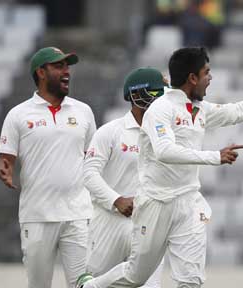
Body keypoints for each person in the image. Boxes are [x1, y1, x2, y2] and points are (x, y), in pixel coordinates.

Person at [76, 47, 243, 288]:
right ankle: (91, 286)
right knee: (137, 275)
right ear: (192, 78)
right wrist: (214, 157)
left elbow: (235, 111)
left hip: (188, 202)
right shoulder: (160, 109)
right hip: (156, 202)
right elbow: (164, 151)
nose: (211, 78)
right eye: (206, 72)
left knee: (191, 281)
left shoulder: (199, 108)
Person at [0, 47, 97, 288]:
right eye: (59, 66)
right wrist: (4, 167)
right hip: (38, 216)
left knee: (85, 284)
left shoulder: (83, 111)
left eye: (67, 66)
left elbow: (94, 159)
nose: (67, 72)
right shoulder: (18, 114)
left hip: (78, 213)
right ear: (41, 72)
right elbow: (5, 157)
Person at [80, 67, 167, 288]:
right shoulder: (110, 132)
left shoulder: (166, 136)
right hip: (109, 222)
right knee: (97, 281)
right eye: (158, 94)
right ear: (137, 95)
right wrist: (116, 200)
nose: (163, 101)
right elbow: (89, 174)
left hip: (148, 224)